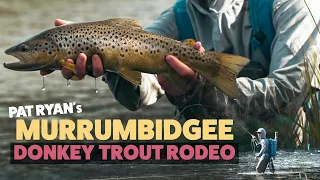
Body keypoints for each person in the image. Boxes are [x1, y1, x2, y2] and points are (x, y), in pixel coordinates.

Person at [41, 0, 320, 146]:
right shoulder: (176, 18)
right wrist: (107, 59)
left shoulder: (291, 4)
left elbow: (290, 89)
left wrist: (202, 87)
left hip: (293, 148)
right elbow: (141, 92)